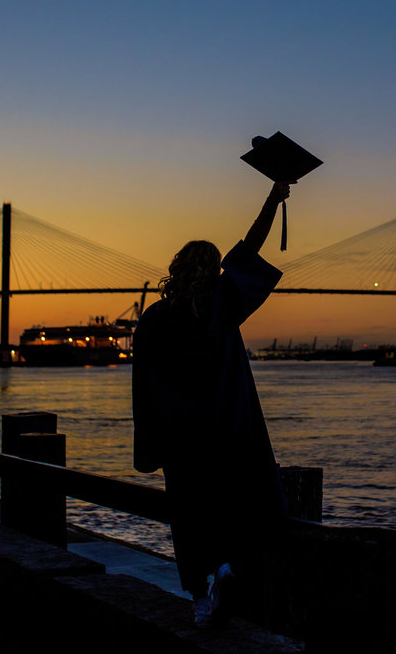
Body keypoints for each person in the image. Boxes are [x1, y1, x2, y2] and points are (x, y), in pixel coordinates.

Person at [132, 180, 292, 629]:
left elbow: (142, 385)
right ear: (211, 270)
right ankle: (227, 568)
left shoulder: (154, 320)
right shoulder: (222, 305)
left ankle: (202, 595)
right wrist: (273, 196)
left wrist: (147, 442)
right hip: (227, 433)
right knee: (238, 505)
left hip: (180, 439)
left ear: (175, 269)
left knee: (188, 514)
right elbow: (251, 248)